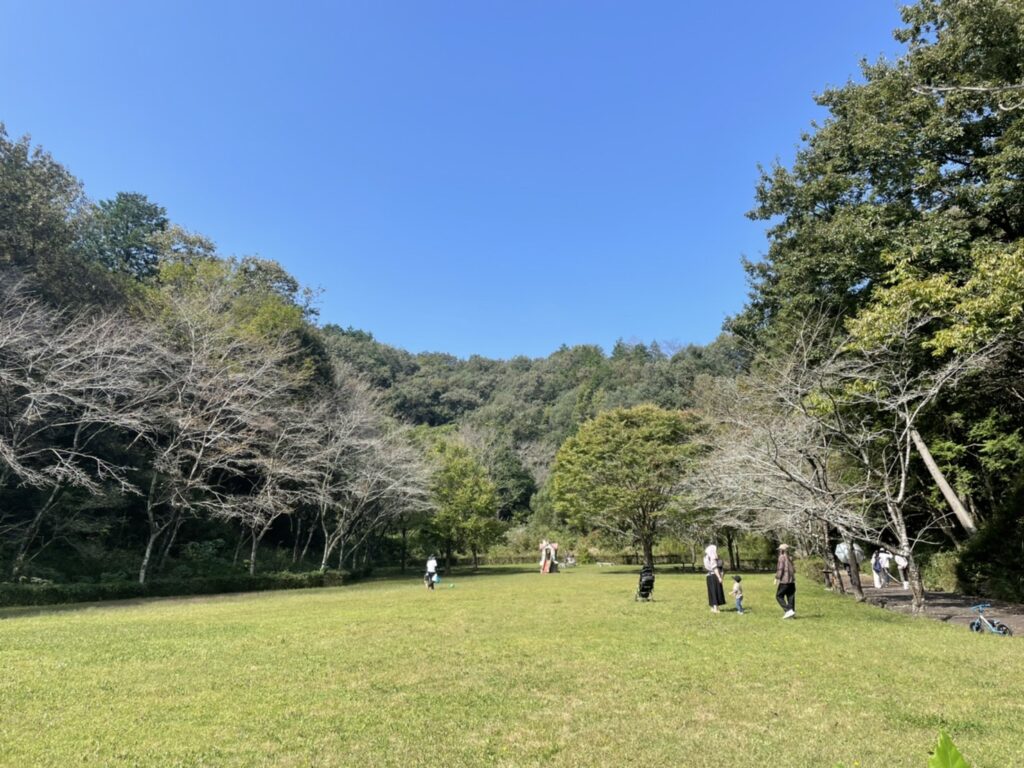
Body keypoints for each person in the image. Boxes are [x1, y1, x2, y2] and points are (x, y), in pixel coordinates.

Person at [774, 543, 796, 618]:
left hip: (784, 581)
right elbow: (794, 570)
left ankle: (788, 611)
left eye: (780, 550)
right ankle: (791, 614)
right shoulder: (790, 557)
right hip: (792, 581)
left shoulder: (781, 557)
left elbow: (780, 569)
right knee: (791, 597)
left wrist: (777, 578)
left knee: (778, 596)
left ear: (782, 550)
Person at [703, 544, 726, 613]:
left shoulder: (706, 557)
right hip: (714, 575)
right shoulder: (712, 556)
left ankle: (713, 607)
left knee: (711, 592)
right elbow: (714, 567)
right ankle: (716, 608)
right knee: (715, 591)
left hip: (708, 576)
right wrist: (719, 577)